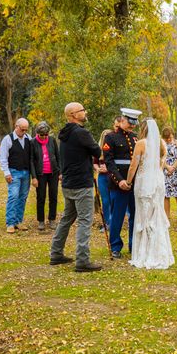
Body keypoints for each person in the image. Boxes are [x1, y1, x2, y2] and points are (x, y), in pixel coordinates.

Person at [49, 102, 102, 272]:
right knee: (85, 221)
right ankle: (82, 260)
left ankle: (56, 253)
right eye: (82, 110)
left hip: (68, 183)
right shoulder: (81, 132)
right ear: (72, 114)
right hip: (81, 183)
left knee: (67, 218)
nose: (85, 112)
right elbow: (97, 151)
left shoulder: (64, 133)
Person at [124, 119, 175, 269]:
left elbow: (134, 165)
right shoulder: (161, 144)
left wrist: (128, 181)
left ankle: (146, 254)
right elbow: (161, 164)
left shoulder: (141, 143)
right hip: (158, 181)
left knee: (144, 215)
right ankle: (160, 251)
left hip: (144, 181)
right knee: (156, 213)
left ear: (144, 128)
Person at [104, 109, 141, 258]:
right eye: (129, 123)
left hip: (135, 183)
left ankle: (134, 245)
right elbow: (109, 162)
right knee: (117, 216)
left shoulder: (136, 138)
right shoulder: (110, 137)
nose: (132, 127)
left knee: (135, 216)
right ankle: (115, 246)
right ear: (121, 121)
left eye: (134, 124)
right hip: (118, 183)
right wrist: (119, 181)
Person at [0, 118, 32, 233]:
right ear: (16, 127)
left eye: (26, 130)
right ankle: (10, 223)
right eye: (22, 129)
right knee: (13, 196)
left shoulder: (28, 138)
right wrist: (6, 173)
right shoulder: (8, 139)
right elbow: (2, 158)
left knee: (22, 197)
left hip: (26, 173)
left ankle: (18, 221)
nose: (24, 132)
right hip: (14, 172)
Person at [30, 121, 61, 231]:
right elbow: (31, 161)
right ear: (37, 133)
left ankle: (52, 219)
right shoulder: (32, 142)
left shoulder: (52, 140)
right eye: (41, 135)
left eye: (45, 135)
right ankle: (41, 221)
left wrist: (60, 172)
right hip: (40, 174)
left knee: (53, 196)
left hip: (53, 173)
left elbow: (58, 156)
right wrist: (34, 177)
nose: (44, 137)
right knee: (41, 197)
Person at [162, 126, 177, 226]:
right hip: (164, 171)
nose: (168, 139)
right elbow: (158, 157)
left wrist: (173, 167)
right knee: (166, 196)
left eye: (170, 137)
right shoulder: (160, 143)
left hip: (176, 172)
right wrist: (167, 167)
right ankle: (166, 218)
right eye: (166, 138)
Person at [94, 128, 113, 230]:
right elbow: (95, 163)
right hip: (102, 177)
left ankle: (115, 221)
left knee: (113, 199)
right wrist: (98, 169)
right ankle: (107, 223)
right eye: (105, 136)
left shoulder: (115, 148)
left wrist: (108, 168)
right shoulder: (99, 150)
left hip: (113, 176)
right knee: (105, 200)